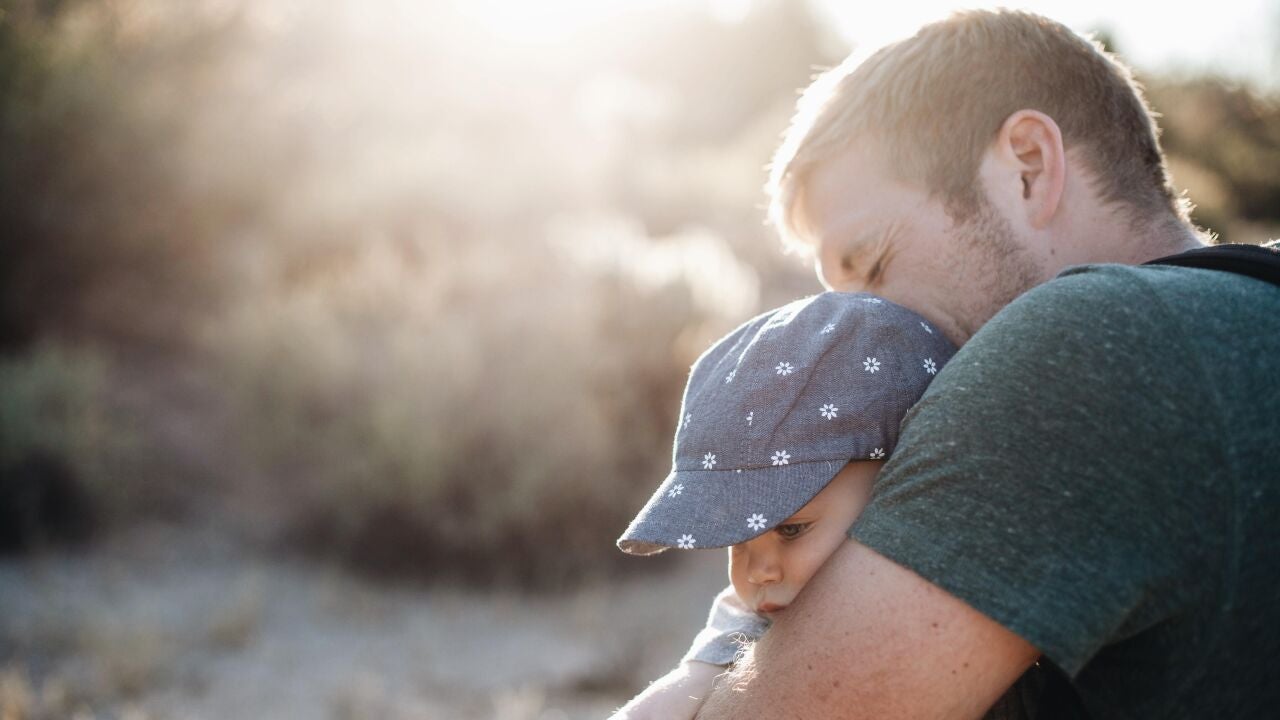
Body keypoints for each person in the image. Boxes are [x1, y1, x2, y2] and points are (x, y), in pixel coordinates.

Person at [687, 9, 1280, 719]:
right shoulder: (1247, 313)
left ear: (1029, 166)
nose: (855, 334)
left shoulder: (1081, 347)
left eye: (872, 264)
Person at [609, 292, 1042, 719]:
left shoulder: (977, 572)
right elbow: (695, 672)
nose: (757, 572)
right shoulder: (761, 613)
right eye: (737, 541)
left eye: (792, 529)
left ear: (899, 482)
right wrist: (697, 676)